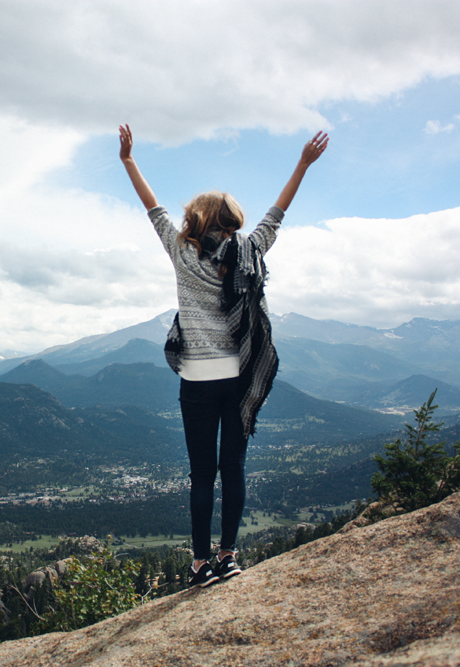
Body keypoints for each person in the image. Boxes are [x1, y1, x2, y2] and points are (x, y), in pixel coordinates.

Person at [119, 124, 328, 587]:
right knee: (233, 466)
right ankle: (229, 556)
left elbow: (152, 208)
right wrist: (303, 164)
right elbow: (278, 213)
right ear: (230, 217)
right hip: (238, 376)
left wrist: (129, 161)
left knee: (201, 475)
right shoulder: (250, 250)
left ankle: (198, 566)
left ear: (198, 218)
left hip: (196, 379)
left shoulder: (182, 252)